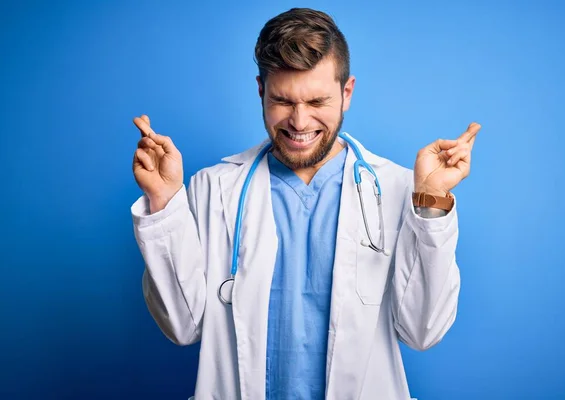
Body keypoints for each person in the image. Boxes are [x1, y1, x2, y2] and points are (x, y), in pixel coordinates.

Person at [131, 7, 480, 400]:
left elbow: (422, 332)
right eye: (283, 100)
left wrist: (431, 203)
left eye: (317, 101)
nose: (299, 122)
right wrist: (163, 202)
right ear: (261, 90)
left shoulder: (399, 188)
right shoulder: (214, 188)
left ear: (346, 93)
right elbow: (181, 326)